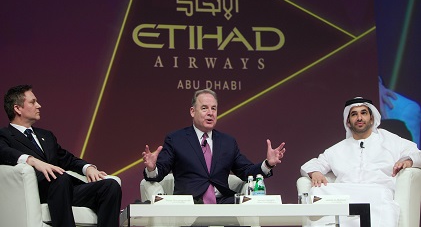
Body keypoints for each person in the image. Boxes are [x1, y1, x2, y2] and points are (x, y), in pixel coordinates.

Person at [0, 85, 122, 227]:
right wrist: (31, 160)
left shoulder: (46, 135)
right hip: (37, 192)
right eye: (33, 102)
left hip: (64, 188)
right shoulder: (3, 134)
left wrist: (87, 168)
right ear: (17, 108)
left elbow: (67, 158)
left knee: (110, 186)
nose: (39, 106)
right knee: (59, 177)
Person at [142, 88, 286, 204]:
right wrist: (151, 168)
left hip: (223, 202)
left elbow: (245, 171)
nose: (210, 113)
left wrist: (267, 164)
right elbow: (159, 172)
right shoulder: (176, 139)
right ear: (192, 111)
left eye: (214, 109)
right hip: (190, 203)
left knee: (246, 207)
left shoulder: (227, 142)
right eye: (204, 108)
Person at [300, 97, 421, 227]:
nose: (359, 118)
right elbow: (312, 164)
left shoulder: (390, 141)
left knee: (379, 194)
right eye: (354, 114)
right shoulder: (337, 149)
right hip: (346, 196)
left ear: (372, 118)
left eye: (363, 113)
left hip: (376, 193)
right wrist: (315, 172)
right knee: (317, 191)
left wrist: (409, 161)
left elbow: (417, 153)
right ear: (348, 122)